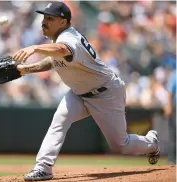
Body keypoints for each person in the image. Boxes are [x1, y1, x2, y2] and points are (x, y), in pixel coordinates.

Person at [12, 1, 160, 181]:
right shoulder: (58, 40)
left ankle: (151, 143)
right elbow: (55, 60)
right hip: (78, 94)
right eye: (44, 17)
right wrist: (26, 69)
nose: (44, 22)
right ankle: (43, 167)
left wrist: (35, 48)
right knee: (59, 120)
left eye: (50, 18)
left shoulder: (69, 38)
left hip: (106, 93)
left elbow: (62, 50)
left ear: (63, 22)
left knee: (121, 146)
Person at [164, 69, 176, 165]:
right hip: (175, 105)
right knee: (174, 133)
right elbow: (170, 92)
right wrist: (169, 105)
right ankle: (172, 160)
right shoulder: (175, 74)